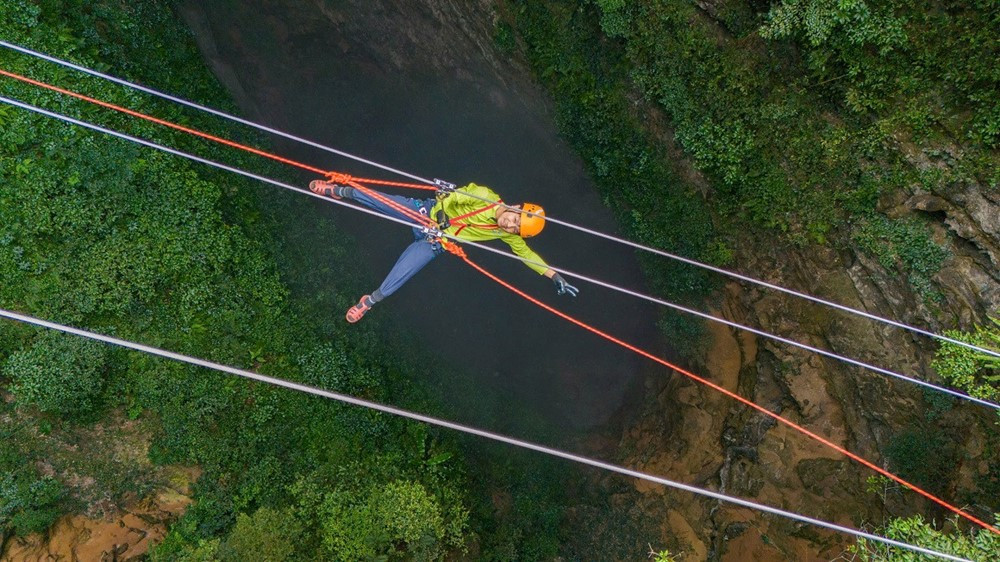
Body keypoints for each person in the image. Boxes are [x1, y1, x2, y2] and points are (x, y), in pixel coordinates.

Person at [310, 179, 579, 322]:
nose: (509, 225)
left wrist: (553, 275)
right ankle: (339, 190)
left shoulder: (502, 233)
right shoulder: (486, 196)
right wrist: (442, 213)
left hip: (436, 240)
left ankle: (370, 301)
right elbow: (458, 195)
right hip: (426, 212)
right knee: (382, 201)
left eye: (515, 229)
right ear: (516, 206)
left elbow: (526, 255)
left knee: (406, 270)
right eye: (514, 219)